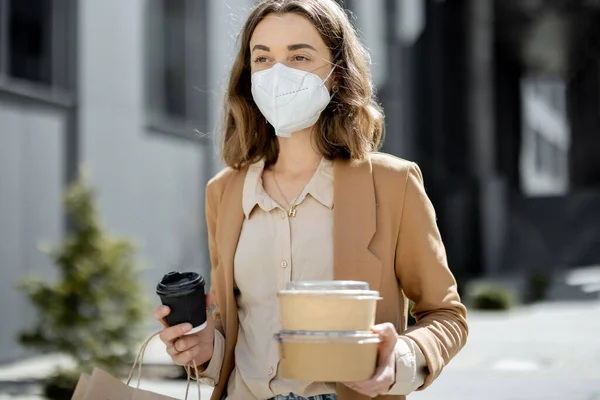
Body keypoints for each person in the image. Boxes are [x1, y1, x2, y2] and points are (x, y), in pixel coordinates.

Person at [153, 0, 468, 399]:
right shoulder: (224, 191)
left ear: (337, 75)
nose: (277, 73)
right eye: (262, 57)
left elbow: (446, 316)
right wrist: (203, 348)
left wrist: (401, 357)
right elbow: (237, 335)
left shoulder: (392, 183)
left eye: (299, 56)